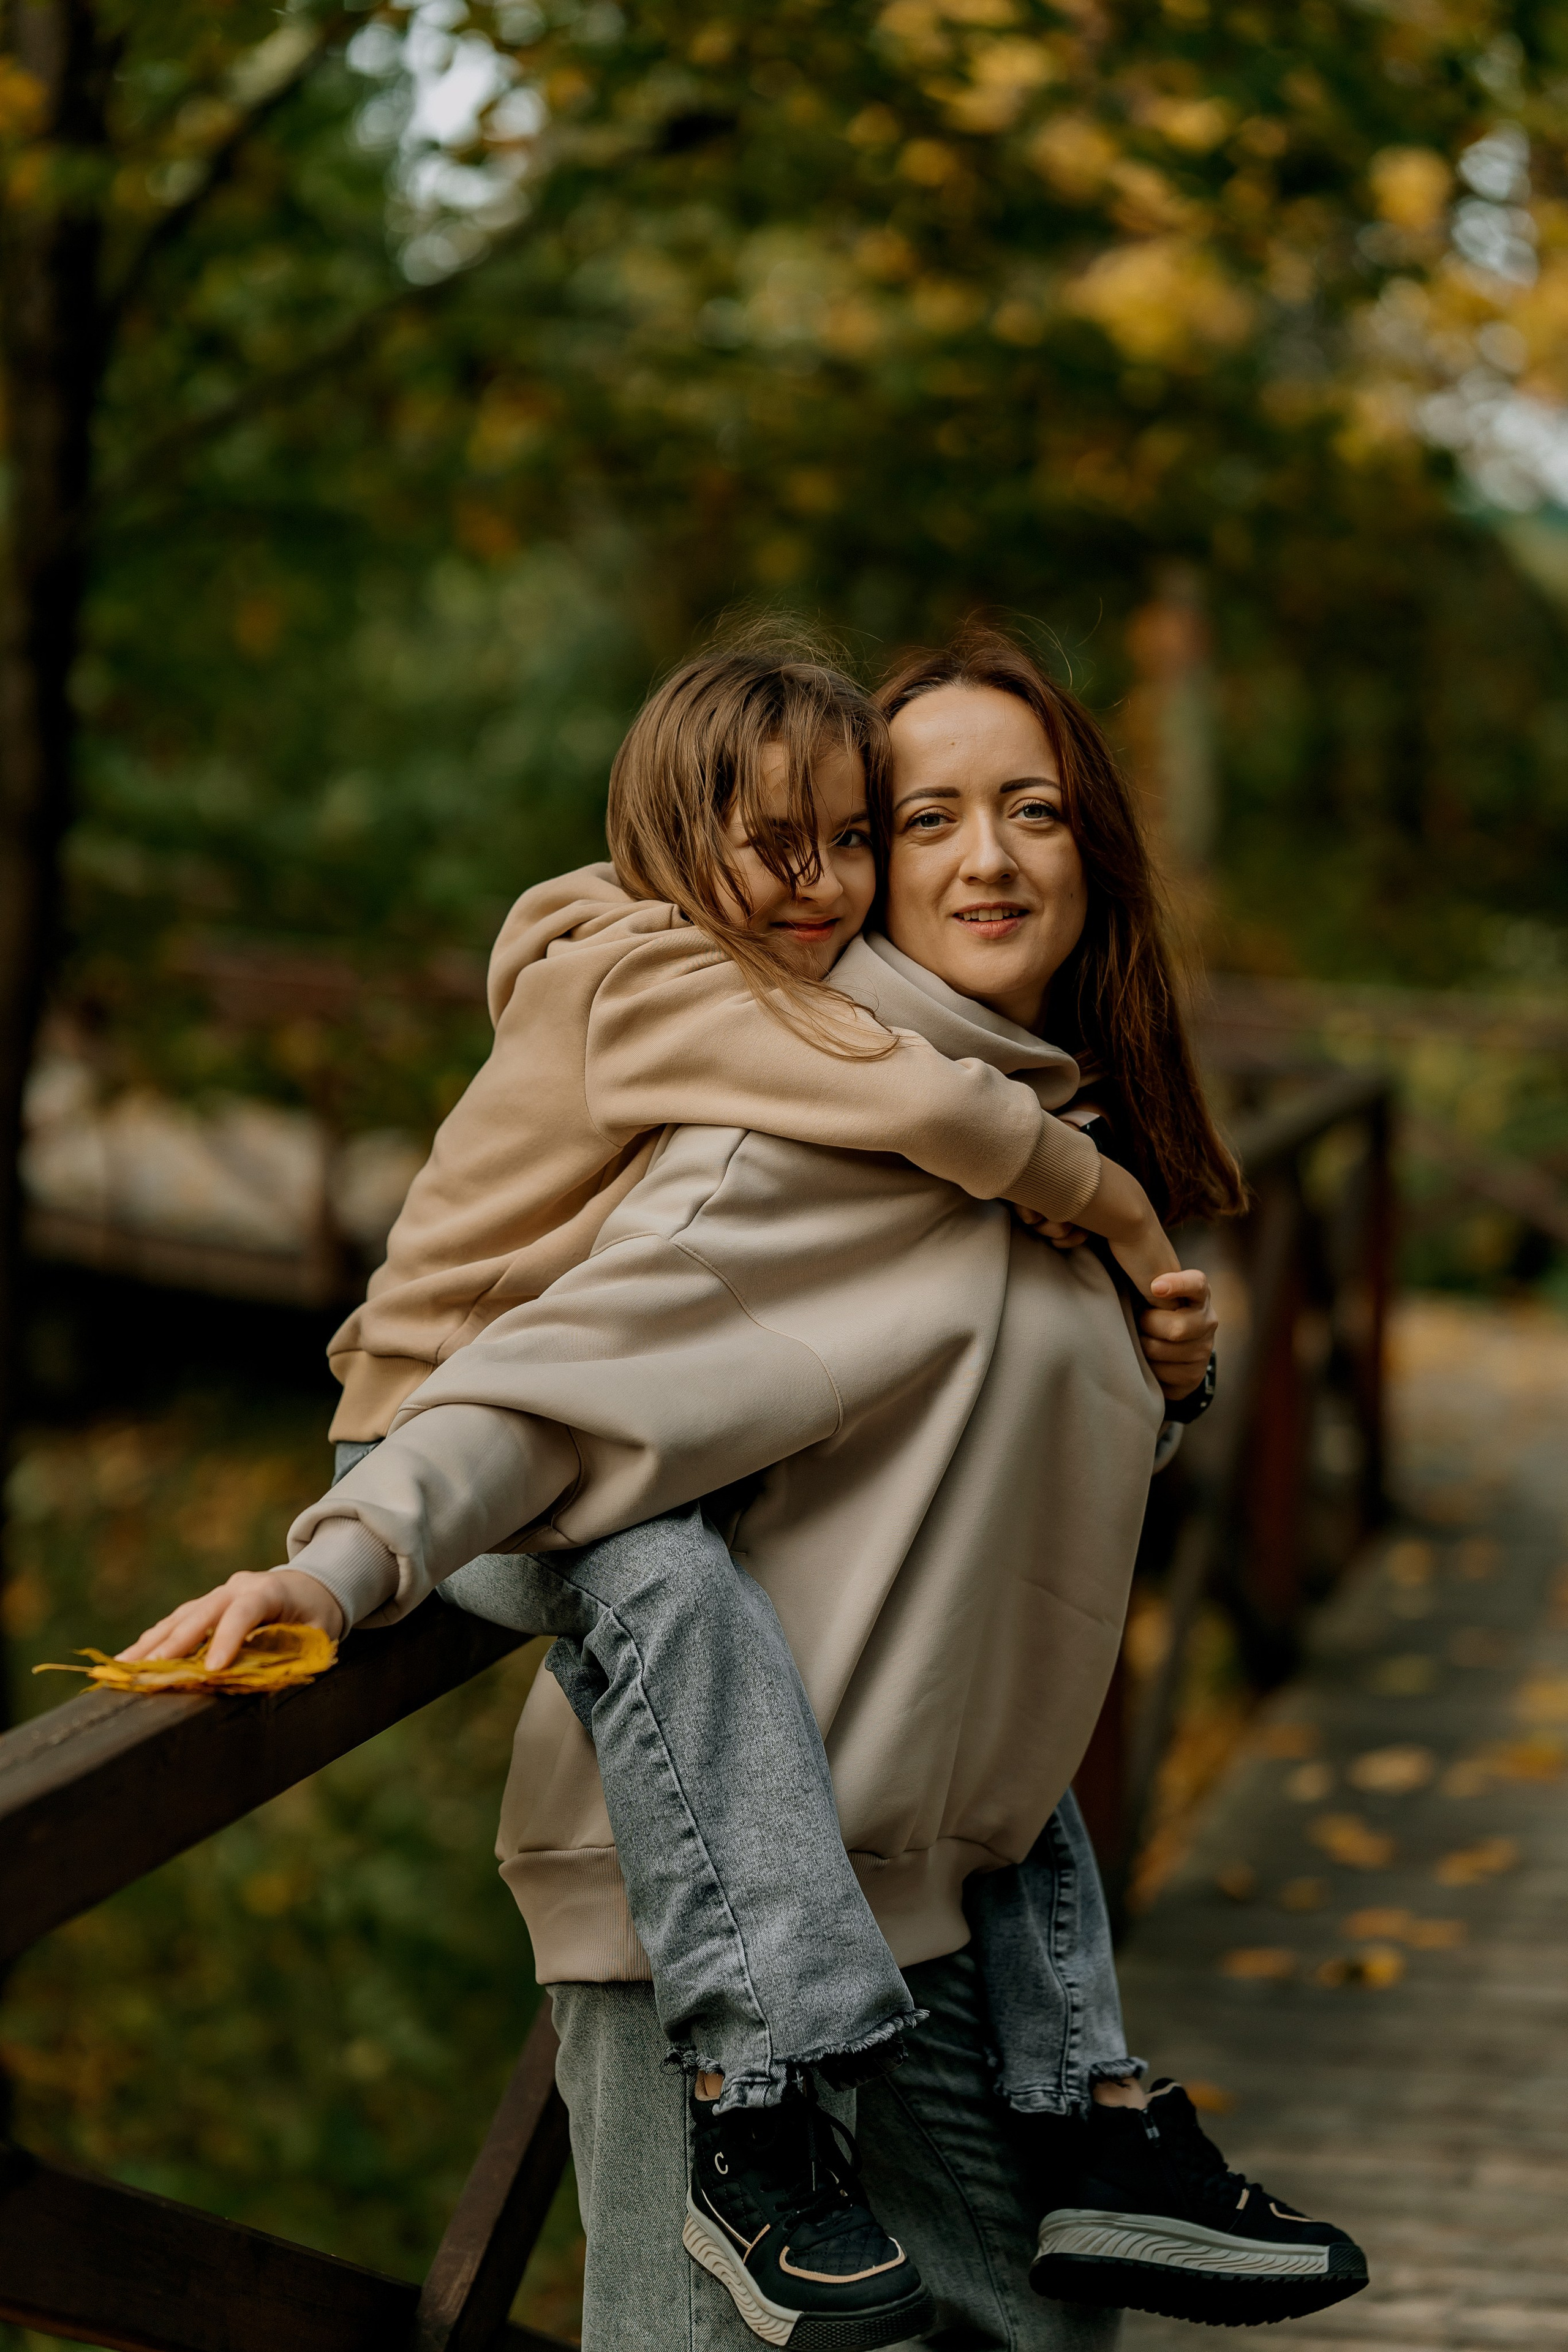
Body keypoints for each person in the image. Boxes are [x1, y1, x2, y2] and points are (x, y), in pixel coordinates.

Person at [125, 628, 1366, 2347]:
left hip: (929, 1898)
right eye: (927, 820)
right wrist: (338, 1567)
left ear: (1102, 852)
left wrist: (1168, 1387)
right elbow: (559, 1395)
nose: (981, 856)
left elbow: (951, 1467)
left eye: (1034, 811)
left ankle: (1103, 2118)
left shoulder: (1013, 1128)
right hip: (708, 1938)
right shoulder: (800, 1124)